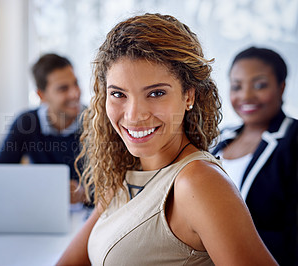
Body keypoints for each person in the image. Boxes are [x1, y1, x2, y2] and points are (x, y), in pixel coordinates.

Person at [57, 14, 277, 265]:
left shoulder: (198, 183)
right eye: (118, 94)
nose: (134, 115)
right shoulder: (125, 175)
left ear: (188, 96)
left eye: (156, 93)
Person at [212, 46, 298, 265]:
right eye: (237, 86)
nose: (246, 96)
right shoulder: (218, 138)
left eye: (259, 85)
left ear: (282, 87)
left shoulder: (292, 140)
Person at [0, 53, 85, 204]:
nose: (75, 93)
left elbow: (116, 184)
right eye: (63, 89)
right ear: (42, 95)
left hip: (90, 216)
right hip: (40, 208)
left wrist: (85, 194)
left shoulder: (95, 123)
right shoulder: (27, 123)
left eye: (76, 84)